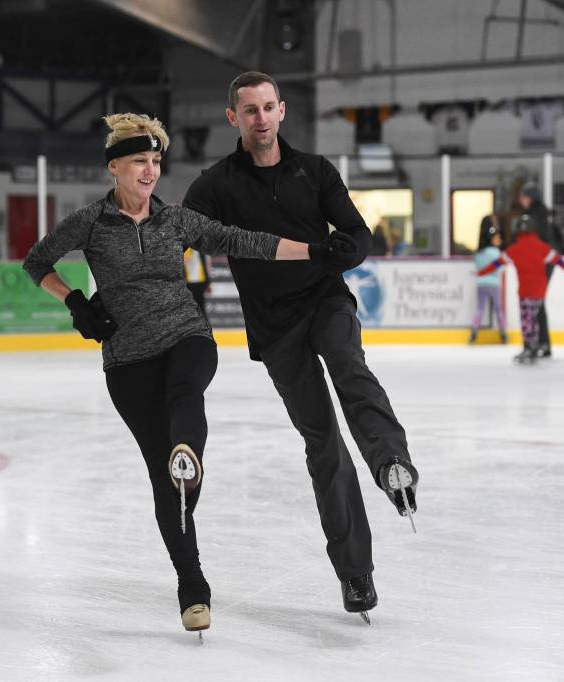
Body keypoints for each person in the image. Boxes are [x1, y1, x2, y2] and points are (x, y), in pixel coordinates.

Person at [22, 112, 349, 637]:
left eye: (155, 162)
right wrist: (77, 303)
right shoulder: (89, 222)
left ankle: (187, 453)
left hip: (186, 337)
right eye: (139, 163)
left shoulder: (175, 220)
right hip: (126, 360)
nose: (150, 172)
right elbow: (36, 261)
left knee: (185, 391)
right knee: (167, 485)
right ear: (115, 168)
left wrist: (314, 249)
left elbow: (244, 240)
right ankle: (191, 585)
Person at [182, 71, 419, 623]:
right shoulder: (215, 184)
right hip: (275, 329)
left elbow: (359, 237)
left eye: (268, 107)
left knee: (349, 365)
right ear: (233, 118)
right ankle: (356, 574)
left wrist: (332, 255)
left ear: (282, 111)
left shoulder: (315, 171)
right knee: (323, 442)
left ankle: (392, 465)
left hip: (325, 302)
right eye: (249, 110)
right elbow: (182, 231)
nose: (260, 118)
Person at [477, 215, 564, 364]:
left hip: (525, 292)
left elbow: (496, 264)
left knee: (527, 319)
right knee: (533, 318)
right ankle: (533, 346)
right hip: (539, 291)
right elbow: (559, 261)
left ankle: (529, 347)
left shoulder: (514, 249)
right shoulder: (542, 247)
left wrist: (480, 273)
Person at [518, 183, 564, 357]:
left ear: (530, 198)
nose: (520, 200)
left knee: (535, 301)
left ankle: (540, 342)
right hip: (544, 261)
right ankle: (542, 342)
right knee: (537, 302)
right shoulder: (538, 213)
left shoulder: (536, 215)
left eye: (523, 197)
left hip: (543, 262)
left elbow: (539, 240)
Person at [470, 222, 507, 345]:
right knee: (499, 308)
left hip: (481, 284)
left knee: (479, 308)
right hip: (494, 283)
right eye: (496, 237)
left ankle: (474, 332)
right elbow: (500, 266)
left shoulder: (479, 253)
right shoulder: (495, 252)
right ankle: (503, 333)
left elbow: (478, 267)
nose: (499, 239)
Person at [183, 247, 210, 320]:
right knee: (190, 307)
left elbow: (206, 264)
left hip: (200, 282)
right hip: (188, 283)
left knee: (201, 306)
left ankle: (206, 326)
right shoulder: (183, 249)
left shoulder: (200, 249)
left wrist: (208, 281)